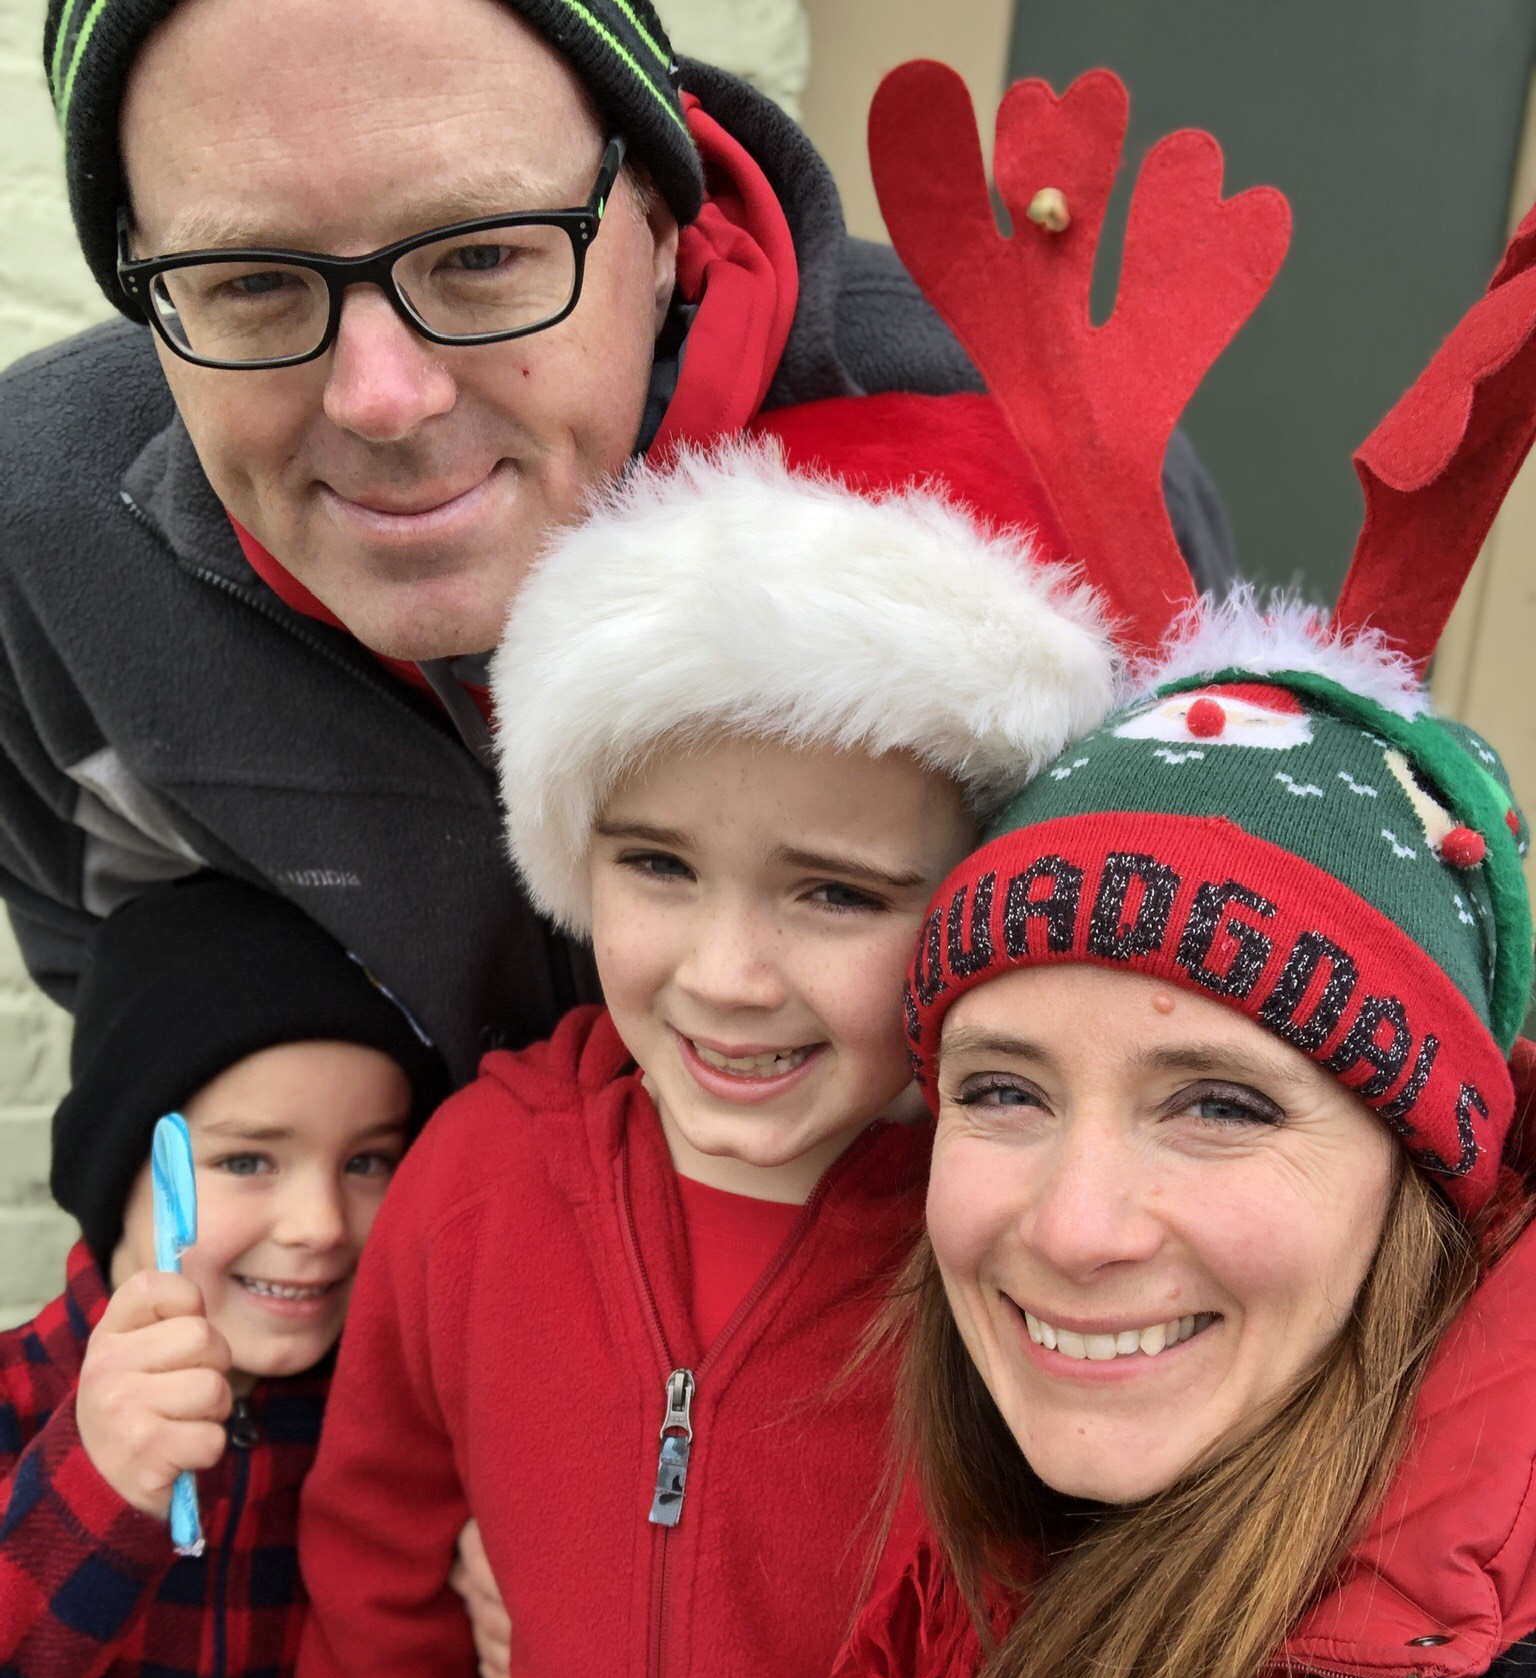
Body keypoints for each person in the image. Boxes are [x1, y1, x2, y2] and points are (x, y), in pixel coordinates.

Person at [245, 420, 1124, 1678]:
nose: (724, 974)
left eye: (834, 892)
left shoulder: (1026, 1257)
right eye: (658, 865)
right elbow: (372, 1647)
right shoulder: (478, 1187)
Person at [785, 158, 1536, 1678]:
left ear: (1417, 1169)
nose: (1075, 1221)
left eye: (1217, 1101)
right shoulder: (981, 1556)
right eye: (1006, 1087)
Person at [0, 0, 1234, 1082]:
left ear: (655, 214)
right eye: (248, 280)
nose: (383, 397)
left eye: (482, 255)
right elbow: (124, 964)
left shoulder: (1033, 440)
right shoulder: (43, 532)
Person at [0, 873, 449, 1678]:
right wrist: (93, 1486)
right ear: (122, 1168)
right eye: (250, 1160)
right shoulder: (11, 1407)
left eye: (369, 1159)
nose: (318, 1222)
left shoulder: (387, 1447)